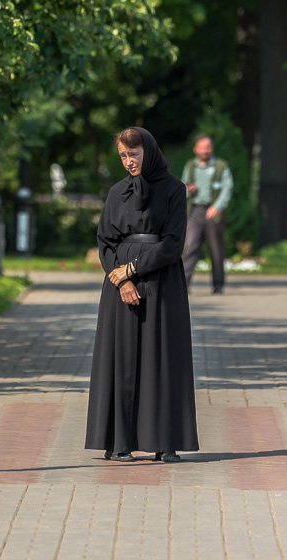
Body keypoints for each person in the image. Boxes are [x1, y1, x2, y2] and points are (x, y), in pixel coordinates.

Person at [85, 127, 199, 462]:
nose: (129, 161)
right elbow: (106, 241)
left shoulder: (174, 190)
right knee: (121, 360)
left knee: (161, 359)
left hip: (163, 284)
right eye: (123, 155)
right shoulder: (116, 192)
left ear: (148, 151)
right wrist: (121, 281)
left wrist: (133, 270)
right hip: (120, 286)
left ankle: (165, 442)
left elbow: (173, 243)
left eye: (134, 154)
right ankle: (119, 442)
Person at [181, 134, 233, 294]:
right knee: (190, 247)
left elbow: (227, 188)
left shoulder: (221, 165)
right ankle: (183, 284)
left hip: (213, 212)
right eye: (202, 147)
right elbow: (182, 187)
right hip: (195, 212)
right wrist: (188, 190)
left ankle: (218, 285)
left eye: (208, 147)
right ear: (195, 149)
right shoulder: (190, 165)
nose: (206, 150)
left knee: (216, 250)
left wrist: (217, 206)